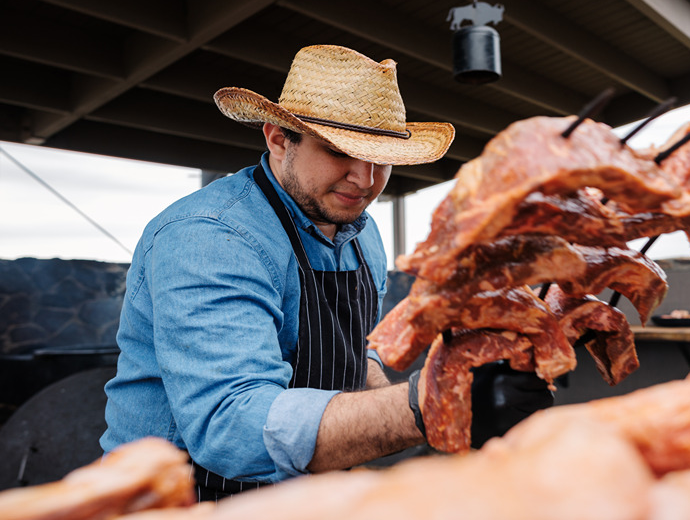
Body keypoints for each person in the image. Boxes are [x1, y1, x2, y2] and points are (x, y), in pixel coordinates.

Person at [100, 44, 553, 501]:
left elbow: (359, 360)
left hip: (308, 498)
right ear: (278, 139)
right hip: (183, 500)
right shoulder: (211, 237)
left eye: (381, 157)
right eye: (340, 151)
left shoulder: (361, 231)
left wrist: (448, 395)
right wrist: (427, 403)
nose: (365, 178)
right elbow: (230, 425)